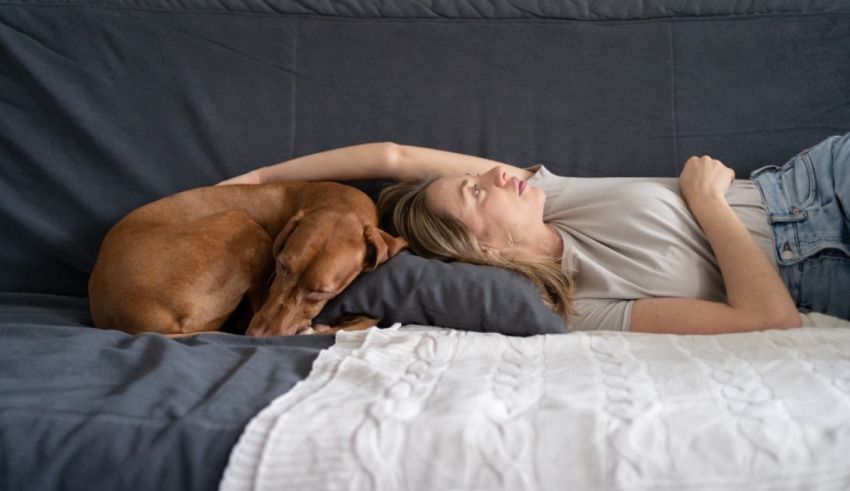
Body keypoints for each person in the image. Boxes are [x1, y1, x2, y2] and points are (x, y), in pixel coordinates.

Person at [218, 135, 850, 334]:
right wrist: (707, 201)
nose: (492, 173)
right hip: (822, 276)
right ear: (483, 250)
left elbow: (393, 157)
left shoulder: (559, 198)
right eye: (473, 192)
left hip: (815, 182)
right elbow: (771, 320)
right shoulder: (584, 310)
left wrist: (258, 177)